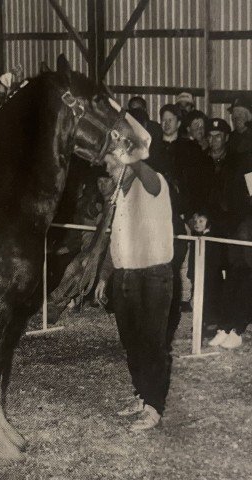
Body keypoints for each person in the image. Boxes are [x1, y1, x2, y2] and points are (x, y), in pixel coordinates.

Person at [95, 153, 174, 431]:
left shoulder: (154, 183)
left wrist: (134, 156)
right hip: (125, 276)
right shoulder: (117, 197)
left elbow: (149, 179)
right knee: (132, 342)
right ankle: (141, 396)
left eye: (112, 164)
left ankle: (154, 406)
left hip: (153, 275)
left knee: (153, 342)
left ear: (128, 164)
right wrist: (105, 276)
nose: (108, 170)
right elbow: (113, 237)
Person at [208, 193, 252, 349]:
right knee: (230, 286)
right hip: (241, 256)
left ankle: (237, 331)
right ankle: (225, 328)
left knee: (246, 289)